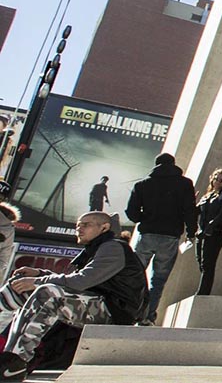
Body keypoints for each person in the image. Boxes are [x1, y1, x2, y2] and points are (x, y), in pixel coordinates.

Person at [0, 212, 147, 381]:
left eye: (86, 225)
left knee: (46, 293)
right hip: (98, 304)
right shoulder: (95, 248)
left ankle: (14, 364)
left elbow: (81, 281)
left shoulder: (113, 247)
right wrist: (40, 273)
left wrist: (38, 280)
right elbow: (74, 281)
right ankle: (6, 351)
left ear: (104, 227)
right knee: (22, 286)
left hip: (116, 312)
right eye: (78, 225)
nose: (79, 229)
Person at [124, 152, 197, 324]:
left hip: (147, 234)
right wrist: (191, 232)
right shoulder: (185, 184)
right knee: (159, 280)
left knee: (135, 276)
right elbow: (189, 210)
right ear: (173, 164)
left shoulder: (142, 184)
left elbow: (131, 213)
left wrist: (145, 217)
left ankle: (130, 312)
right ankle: (148, 316)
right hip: (170, 237)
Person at [195, 169, 222, 295]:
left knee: (208, 263)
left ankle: (203, 293)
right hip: (202, 233)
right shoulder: (209, 195)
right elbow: (196, 211)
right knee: (201, 262)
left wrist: (210, 227)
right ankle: (203, 291)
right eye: (215, 179)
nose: (217, 182)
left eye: (221, 180)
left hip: (215, 233)